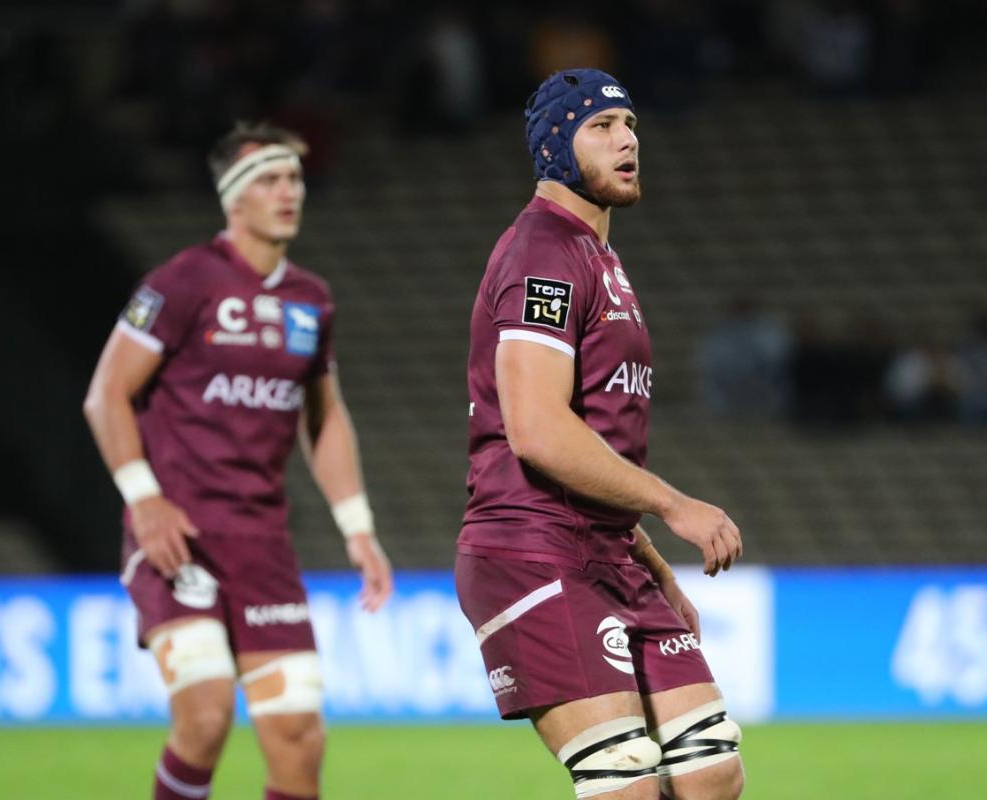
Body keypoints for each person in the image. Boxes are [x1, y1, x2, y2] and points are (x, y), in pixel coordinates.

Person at [455, 69, 746, 800]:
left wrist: (646, 556)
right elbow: (538, 431)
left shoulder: (599, 258)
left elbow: (594, 442)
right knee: (624, 783)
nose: (627, 141)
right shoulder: (541, 254)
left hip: (607, 552)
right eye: (601, 127)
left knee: (711, 773)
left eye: (631, 126)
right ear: (556, 145)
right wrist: (674, 508)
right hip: (531, 549)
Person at [83, 121, 393, 800]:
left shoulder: (310, 299)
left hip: (263, 548)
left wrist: (358, 528)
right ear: (232, 198)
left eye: (294, 179)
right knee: (206, 713)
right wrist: (145, 497)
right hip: (178, 537)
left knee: (300, 739)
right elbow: (106, 393)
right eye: (269, 180)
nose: (289, 192)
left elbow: (325, 416)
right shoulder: (183, 280)